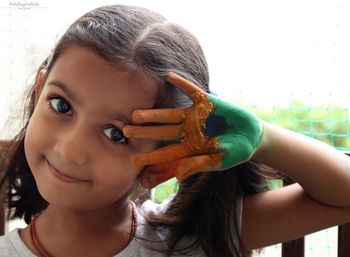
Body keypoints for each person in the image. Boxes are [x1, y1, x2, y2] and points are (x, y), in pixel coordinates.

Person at [1, 4, 350, 257]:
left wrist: (262, 137)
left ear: (163, 164)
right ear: (39, 90)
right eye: (62, 105)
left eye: (115, 133)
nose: (69, 149)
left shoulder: (189, 241)